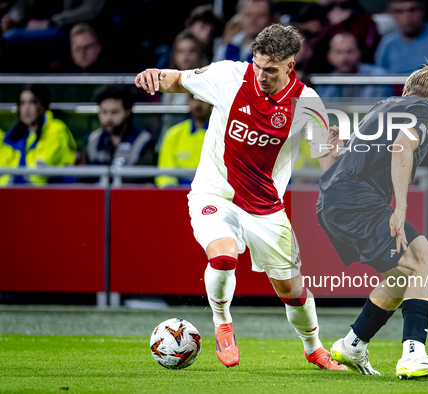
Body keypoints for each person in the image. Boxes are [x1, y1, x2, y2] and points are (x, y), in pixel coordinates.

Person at [135, 24, 347, 371]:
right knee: (223, 255)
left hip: (265, 208)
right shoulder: (228, 75)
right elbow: (179, 79)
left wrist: (336, 153)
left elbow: (326, 159)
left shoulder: (307, 103)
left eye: (272, 70)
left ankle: (314, 348)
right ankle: (222, 323)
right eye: (258, 65)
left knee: (291, 290)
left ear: (290, 66)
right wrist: (155, 74)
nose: (262, 75)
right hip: (214, 192)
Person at [316, 63, 428, 378]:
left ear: (405, 91)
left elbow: (341, 165)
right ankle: (413, 353)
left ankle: (352, 344)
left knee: (402, 275)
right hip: (358, 201)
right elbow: (401, 146)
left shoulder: (383, 107)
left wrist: (328, 156)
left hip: (334, 201)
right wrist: (402, 207)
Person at [0, 85, 76, 186]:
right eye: (22, 103)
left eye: (32, 102)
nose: (26, 108)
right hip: (22, 195)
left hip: (55, 194)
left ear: (43, 105)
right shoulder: (14, 137)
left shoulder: (56, 130)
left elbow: (39, 174)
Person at [86, 85, 155, 168]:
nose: (108, 118)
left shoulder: (144, 141)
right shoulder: (92, 140)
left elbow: (143, 178)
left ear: (127, 112)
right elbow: (83, 178)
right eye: (104, 112)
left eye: (114, 112)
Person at [156, 96, 212, 188]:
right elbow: (165, 175)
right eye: (193, 98)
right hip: (178, 194)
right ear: (188, 101)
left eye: (203, 99)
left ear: (211, 101)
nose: (198, 104)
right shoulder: (173, 134)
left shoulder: (221, 133)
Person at [315, 33, 392, 98]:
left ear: (359, 53)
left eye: (350, 51)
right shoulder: (323, 84)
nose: (344, 58)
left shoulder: (378, 77)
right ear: (329, 56)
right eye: (338, 52)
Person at [375, 0, 428, 74]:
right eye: (399, 11)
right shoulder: (387, 43)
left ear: (423, 10)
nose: (407, 16)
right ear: (391, 14)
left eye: (412, 10)